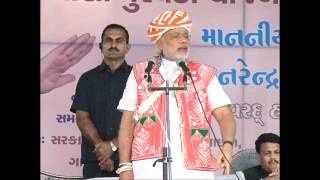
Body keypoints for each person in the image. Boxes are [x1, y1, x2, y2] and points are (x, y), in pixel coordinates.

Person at [117, 10, 236, 180]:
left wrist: (228, 145)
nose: (183, 40)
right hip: (149, 165)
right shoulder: (140, 72)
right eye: (175, 36)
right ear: (159, 42)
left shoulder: (203, 73)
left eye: (186, 36)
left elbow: (225, 114)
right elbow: (128, 120)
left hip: (196, 167)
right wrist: (125, 166)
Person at [70, 24, 132, 179]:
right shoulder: (87, 79)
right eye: (108, 40)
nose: (113, 45)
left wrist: (112, 146)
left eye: (119, 41)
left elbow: (141, 119)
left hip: (130, 159)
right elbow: (82, 118)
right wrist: (101, 149)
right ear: (101, 46)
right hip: (95, 160)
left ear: (127, 47)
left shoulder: (137, 78)